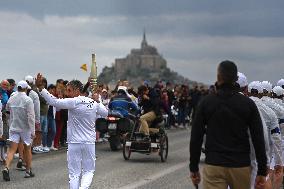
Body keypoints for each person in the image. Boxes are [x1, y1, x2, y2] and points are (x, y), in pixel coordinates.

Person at [189, 60, 267, 189]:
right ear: (235, 79)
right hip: (240, 165)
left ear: (218, 77)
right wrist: (262, 170)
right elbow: (258, 138)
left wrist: (194, 168)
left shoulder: (206, 102)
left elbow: (196, 137)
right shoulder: (247, 104)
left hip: (214, 164)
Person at [35, 73, 108, 189]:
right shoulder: (93, 102)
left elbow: (53, 101)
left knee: (74, 174)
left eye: (69, 91)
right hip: (88, 143)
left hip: (74, 143)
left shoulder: (74, 102)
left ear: (77, 90)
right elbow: (105, 113)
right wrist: (98, 100)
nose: (66, 94)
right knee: (88, 171)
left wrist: (41, 88)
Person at [2, 81, 35, 181]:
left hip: (14, 126)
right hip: (25, 128)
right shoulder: (28, 100)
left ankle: (6, 168)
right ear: (25, 88)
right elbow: (31, 117)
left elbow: (7, 110)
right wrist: (33, 131)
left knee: (12, 149)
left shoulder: (12, 98)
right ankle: (28, 171)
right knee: (27, 148)